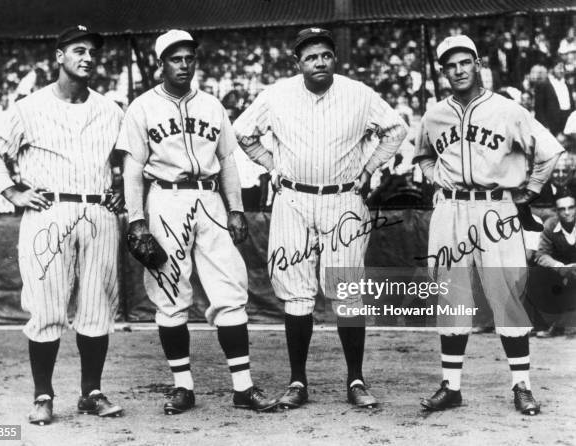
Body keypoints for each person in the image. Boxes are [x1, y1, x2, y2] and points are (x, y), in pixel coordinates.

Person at [234, 27, 408, 409]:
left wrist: (369, 168)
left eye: (326, 55)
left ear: (335, 59)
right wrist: (271, 164)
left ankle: (356, 379)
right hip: (293, 199)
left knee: (346, 292)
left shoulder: (359, 94)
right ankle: (298, 382)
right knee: (297, 295)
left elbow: (397, 129)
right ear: (297, 62)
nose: (320, 62)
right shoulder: (276, 94)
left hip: (344, 199)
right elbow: (242, 133)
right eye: (311, 56)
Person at [117, 29, 278, 414]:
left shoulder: (211, 105)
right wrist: (136, 219)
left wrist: (236, 208)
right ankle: (182, 386)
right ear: (161, 64)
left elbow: (227, 162)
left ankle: (243, 386)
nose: (184, 64)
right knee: (170, 295)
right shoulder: (141, 107)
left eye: (189, 57)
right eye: (176, 58)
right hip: (165, 198)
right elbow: (133, 168)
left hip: (209, 199)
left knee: (230, 290)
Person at [0, 25, 126, 425]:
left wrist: (122, 188)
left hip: (98, 213)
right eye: (78, 50)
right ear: (59, 56)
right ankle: (43, 394)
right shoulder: (28, 107)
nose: (88, 57)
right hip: (48, 212)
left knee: (96, 308)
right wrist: (12, 191)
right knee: (46, 309)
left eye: (93, 51)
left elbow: (132, 159)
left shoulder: (111, 110)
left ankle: (91, 392)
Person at [413, 35, 564, 415]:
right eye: (450, 65)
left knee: (507, 295)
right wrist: (436, 176)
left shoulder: (507, 110)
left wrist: (529, 190)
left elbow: (548, 152)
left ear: (477, 64)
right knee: (451, 296)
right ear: (443, 71)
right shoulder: (434, 115)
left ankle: (522, 386)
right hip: (450, 210)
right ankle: (451, 386)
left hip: (497, 208)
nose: (459, 70)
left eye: (465, 62)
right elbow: (424, 156)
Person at [534, 193, 576, 337]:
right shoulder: (550, 226)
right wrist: (560, 267)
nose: (567, 212)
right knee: (540, 276)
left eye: (571, 207)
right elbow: (541, 255)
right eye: (562, 209)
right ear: (556, 211)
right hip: (560, 272)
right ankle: (551, 324)